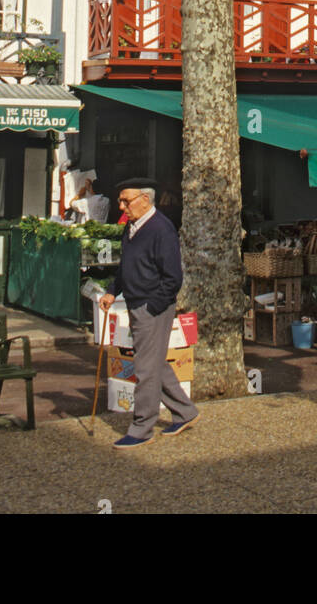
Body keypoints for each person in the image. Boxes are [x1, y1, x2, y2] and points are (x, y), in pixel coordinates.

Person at [99, 179, 198, 448]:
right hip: (136, 304)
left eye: (126, 201)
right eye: (120, 200)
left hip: (151, 307)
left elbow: (173, 277)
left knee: (145, 368)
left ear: (145, 199)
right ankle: (185, 411)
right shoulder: (131, 227)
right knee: (153, 362)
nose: (121, 206)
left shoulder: (161, 229)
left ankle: (141, 427)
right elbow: (125, 267)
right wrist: (112, 291)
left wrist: (153, 307)